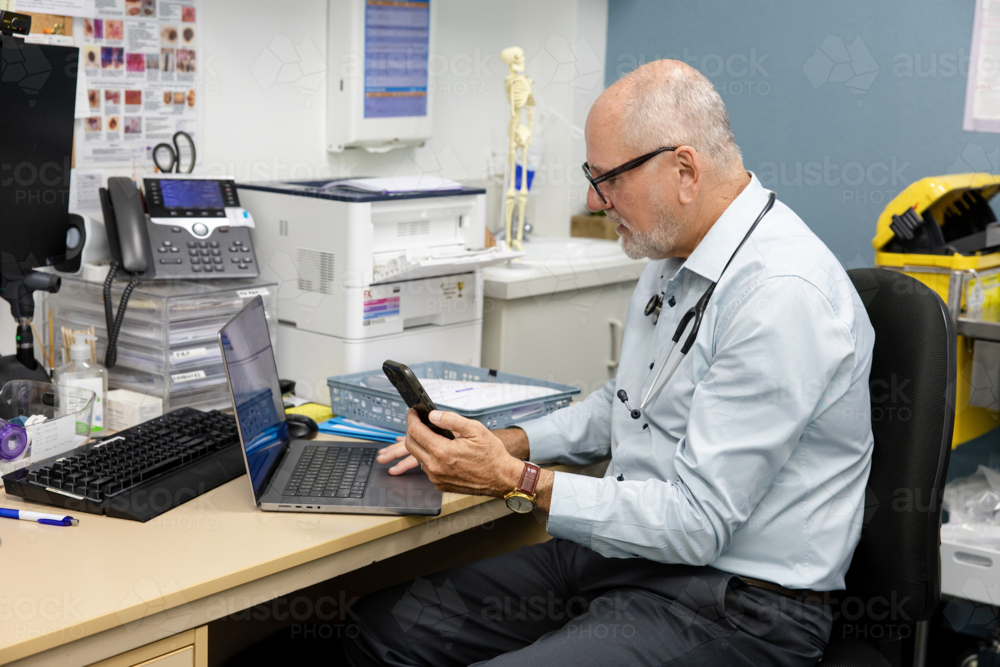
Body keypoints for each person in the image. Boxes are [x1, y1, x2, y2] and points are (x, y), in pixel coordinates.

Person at [343, 59, 875, 667]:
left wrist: (515, 481)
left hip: (740, 605)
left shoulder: (782, 294)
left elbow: (698, 523)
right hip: (628, 557)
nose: (594, 201)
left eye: (609, 178)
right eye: (591, 176)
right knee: (383, 624)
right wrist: (510, 442)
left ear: (684, 169)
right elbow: (628, 402)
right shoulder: (674, 249)